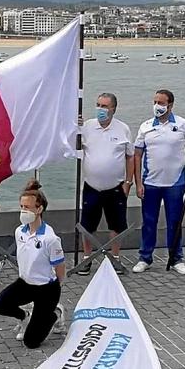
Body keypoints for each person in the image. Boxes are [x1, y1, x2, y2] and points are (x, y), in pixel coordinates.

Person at [133, 89, 185, 275]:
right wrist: (138, 183)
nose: (157, 106)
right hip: (150, 183)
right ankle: (145, 258)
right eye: (155, 101)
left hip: (175, 184)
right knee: (149, 222)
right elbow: (137, 155)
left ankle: (176, 258)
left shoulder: (183, 125)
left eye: (161, 103)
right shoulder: (145, 127)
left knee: (175, 222)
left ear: (170, 105)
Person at [0, 180, 66, 348]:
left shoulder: (50, 238)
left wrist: (58, 284)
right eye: (21, 206)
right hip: (25, 283)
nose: (23, 210)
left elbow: (60, 266)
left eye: (27, 207)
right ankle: (25, 316)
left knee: (31, 342)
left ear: (39, 209)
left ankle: (56, 313)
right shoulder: (20, 231)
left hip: (46, 289)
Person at [77, 93, 134, 275]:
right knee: (87, 225)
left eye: (105, 106)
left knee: (116, 225)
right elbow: (73, 146)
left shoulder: (123, 129)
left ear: (113, 109)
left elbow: (130, 157)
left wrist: (128, 182)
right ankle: (86, 259)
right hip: (91, 186)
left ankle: (114, 258)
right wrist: (75, 128)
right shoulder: (86, 127)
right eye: (98, 105)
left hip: (116, 187)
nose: (101, 109)